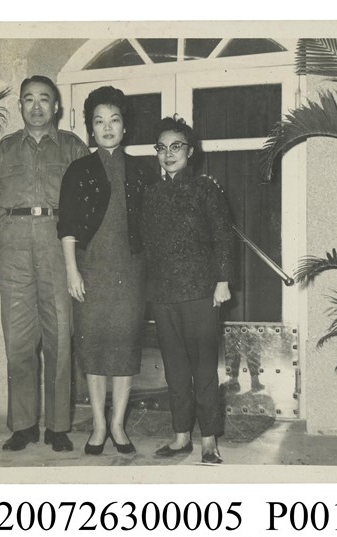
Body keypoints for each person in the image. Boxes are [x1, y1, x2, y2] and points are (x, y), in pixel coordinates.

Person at [0, 75, 89, 452]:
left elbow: (89, 197)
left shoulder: (72, 147)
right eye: (29, 99)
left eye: (44, 99)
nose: (37, 106)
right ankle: (23, 425)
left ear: (56, 106)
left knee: (60, 337)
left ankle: (58, 427)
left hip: (58, 244)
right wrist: (11, 223)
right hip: (15, 250)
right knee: (18, 340)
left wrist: (68, 230)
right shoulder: (5, 149)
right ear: (21, 106)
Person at [57, 86, 157, 455]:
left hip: (130, 273)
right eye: (99, 122)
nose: (107, 127)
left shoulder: (143, 171)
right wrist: (72, 271)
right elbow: (67, 226)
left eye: (114, 120)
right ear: (91, 129)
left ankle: (118, 425)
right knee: (95, 349)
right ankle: (99, 425)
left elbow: (154, 226)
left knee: (125, 349)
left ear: (124, 126)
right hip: (91, 272)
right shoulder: (78, 170)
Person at [141, 116, 235, 464]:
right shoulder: (150, 194)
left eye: (176, 147)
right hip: (163, 295)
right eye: (162, 148)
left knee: (204, 369)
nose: (168, 154)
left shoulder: (206, 189)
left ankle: (209, 441)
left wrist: (223, 281)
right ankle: (181, 437)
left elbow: (223, 236)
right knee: (175, 370)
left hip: (200, 292)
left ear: (190, 152)